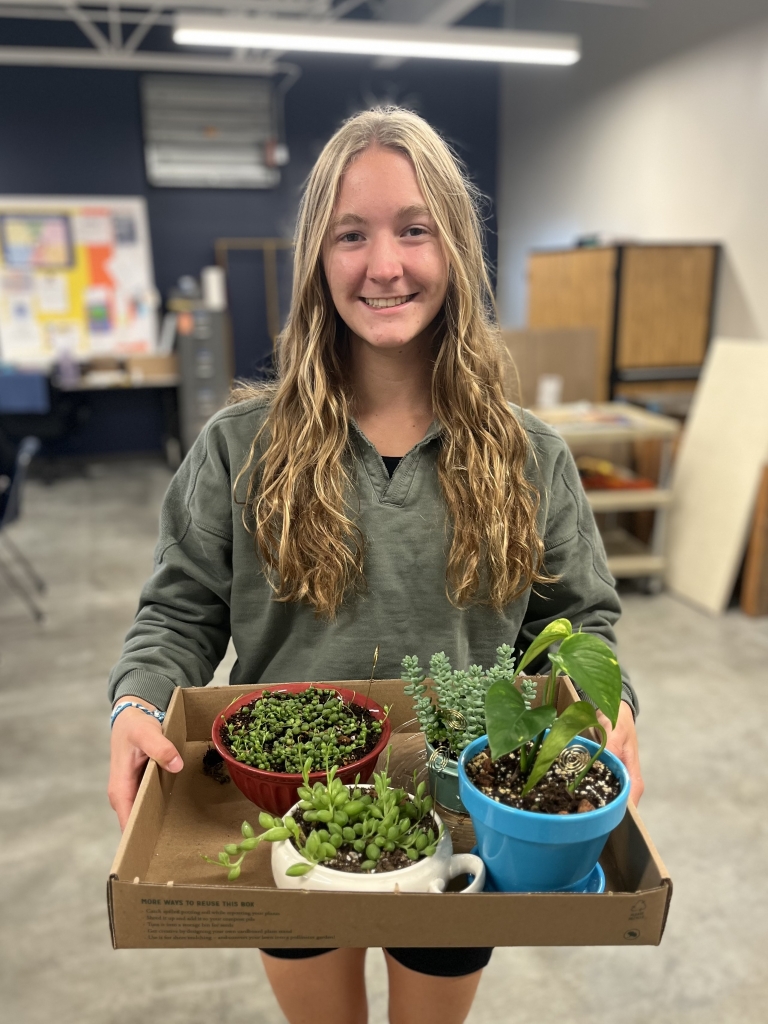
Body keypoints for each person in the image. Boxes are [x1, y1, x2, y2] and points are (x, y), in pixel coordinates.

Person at [107, 106, 643, 1024]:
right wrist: (136, 700)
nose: (384, 265)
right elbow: (179, 613)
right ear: (318, 256)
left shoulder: (531, 457)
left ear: (456, 251)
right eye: (351, 234)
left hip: (466, 811)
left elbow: (579, 620)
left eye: (414, 229)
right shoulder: (241, 448)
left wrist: (607, 698)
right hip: (291, 807)